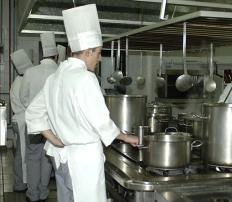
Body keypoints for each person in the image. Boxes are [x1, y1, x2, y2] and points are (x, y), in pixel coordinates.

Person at [25, 4, 138, 202]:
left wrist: (52, 138)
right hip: (83, 162)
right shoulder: (85, 78)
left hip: (62, 158)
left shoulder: (55, 78)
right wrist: (125, 137)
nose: (100, 58)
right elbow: (101, 120)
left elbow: (33, 112)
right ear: (87, 51)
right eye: (98, 53)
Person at [20, 32, 59, 202]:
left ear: (42, 54)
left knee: (33, 158)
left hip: (35, 124)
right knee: (47, 159)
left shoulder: (30, 72)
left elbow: (23, 98)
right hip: (54, 125)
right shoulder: (60, 72)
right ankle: (43, 192)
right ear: (56, 55)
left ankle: (33, 194)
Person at [9, 49, 33, 192]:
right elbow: (27, 102)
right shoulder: (22, 81)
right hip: (22, 119)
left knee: (22, 152)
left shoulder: (18, 80)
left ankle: (22, 182)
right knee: (21, 154)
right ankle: (20, 184)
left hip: (19, 119)